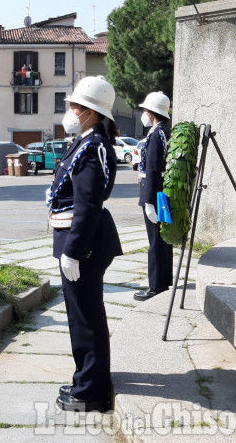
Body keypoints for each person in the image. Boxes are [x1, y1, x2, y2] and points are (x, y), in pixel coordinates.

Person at [47, 76, 122, 413]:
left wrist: (73, 251)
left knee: (86, 316)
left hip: (83, 244)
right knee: (80, 315)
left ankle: (91, 390)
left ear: (92, 112)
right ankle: (86, 377)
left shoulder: (93, 148)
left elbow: (88, 206)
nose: (71, 111)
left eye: (76, 106)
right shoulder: (86, 142)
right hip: (76, 238)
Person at [134, 91, 173, 301]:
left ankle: (155, 286)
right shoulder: (164, 131)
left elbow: (153, 169)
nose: (144, 114)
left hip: (154, 193)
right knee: (163, 239)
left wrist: (148, 201)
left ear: (152, 112)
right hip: (160, 192)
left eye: (145, 110)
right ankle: (164, 279)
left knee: (156, 240)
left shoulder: (156, 134)